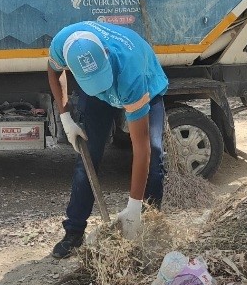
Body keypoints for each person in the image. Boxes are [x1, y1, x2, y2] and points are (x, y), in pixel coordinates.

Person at [47, 21, 168, 259]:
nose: (103, 90)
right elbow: (53, 70)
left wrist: (133, 206)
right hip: (100, 82)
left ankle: (148, 227)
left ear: (105, 52)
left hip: (141, 82)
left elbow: (141, 148)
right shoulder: (63, 43)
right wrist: (65, 116)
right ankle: (74, 231)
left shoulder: (131, 75)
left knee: (153, 154)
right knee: (88, 154)